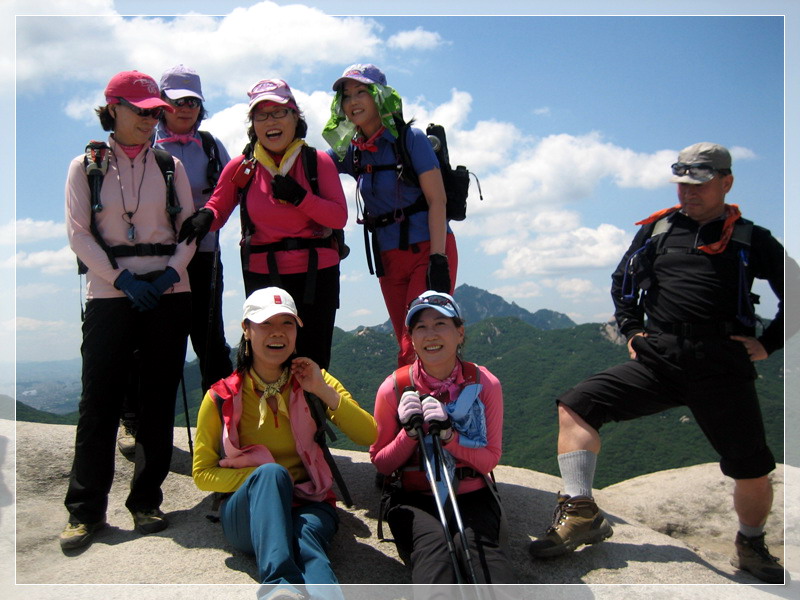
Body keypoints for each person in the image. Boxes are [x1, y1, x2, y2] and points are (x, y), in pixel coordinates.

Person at [527, 142, 797, 584]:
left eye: (700, 184)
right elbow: (622, 282)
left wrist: (768, 343)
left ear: (726, 183)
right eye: (682, 184)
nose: (688, 193)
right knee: (577, 405)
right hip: (660, 358)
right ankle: (581, 514)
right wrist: (632, 330)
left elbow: (798, 293)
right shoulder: (657, 231)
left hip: (721, 365)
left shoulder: (750, 237)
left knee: (751, 469)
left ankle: (750, 545)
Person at [60, 70, 196, 550]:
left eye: (156, 111)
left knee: (158, 397)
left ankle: (146, 501)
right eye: (141, 110)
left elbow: (189, 230)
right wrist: (121, 279)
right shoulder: (86, 166)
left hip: (166, 292)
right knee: (99, 401)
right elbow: (78, 233)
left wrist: (168, 275)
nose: (152, 118)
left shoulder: (168, 165)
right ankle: (85, 511)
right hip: (111, 293)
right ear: (113, 107)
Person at [192, 287, 377, 598]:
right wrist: (268, 482)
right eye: (266, 324)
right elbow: (202, 474)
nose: (277, 333)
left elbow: (369, 435)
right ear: (247, 330)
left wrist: (322, 390)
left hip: (310, 504)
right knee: (270, 473)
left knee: (306, 542)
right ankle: (278, 586)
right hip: (249, 513)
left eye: (287, 323)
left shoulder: (314, 380)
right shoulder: (222, 396)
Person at [180, 79, 346, 370]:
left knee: (313, 360)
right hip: (264, 275)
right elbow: (218, 207)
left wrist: (299, 197)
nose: (271, 121)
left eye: (279, 112)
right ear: (253, 124)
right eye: (261, 115)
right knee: (269, 363)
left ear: (295, 117)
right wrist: (204, 217)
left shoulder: (316, 162)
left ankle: (311, 414)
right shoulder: (244, 167)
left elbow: (338, 217)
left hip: (316, 275)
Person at [370, 291, 515, 584]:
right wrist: (409, 435)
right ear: (410, 338)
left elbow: (489, 459)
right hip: (413, 498)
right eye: (420, 327)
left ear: (459, 333)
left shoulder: (485, 384)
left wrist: (449, 436)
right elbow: (382, 463)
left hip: (472, 493)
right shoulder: (393, 389)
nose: (430, 334)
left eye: (440, 324)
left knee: (481, 556)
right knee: (434, 555)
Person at [323, 64, 458, 367]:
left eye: (361, 92)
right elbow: (313, 167)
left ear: (379, 97)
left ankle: (436, 409)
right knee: (405, 342)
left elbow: (438, 200)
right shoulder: (352, 150)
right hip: (388, 260)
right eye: (346, 96)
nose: (353, 102)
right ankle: (420, 410)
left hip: (428, 249)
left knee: (419, 343)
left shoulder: (410, 139)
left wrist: (438, 259)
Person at [156, 64, 233, 391]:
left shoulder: (212, 146)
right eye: (178, 101)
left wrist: (210, 217)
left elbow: (232, 191)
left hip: (205, 256)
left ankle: (222, 418)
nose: (186, 108)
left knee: (210, 340)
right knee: (154, 342)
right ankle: (138, 420)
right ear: (161, 103)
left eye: (193, 102)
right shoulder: (147, 145)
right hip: (156, 257)